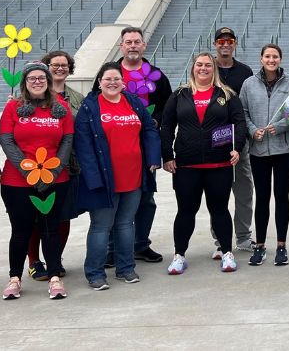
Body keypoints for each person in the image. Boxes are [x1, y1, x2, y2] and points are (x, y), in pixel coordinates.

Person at [75, 62, 161, 291]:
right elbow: (83, 146)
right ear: (99, 82)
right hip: (104, 180)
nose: (112, 83)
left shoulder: (132, 101)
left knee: (125, 224)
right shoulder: (90, 107)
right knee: (101, 227)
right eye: (107, 79)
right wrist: (94, 179)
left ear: (123, 82)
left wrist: (153, 157)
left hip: (133, 176)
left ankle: (126, 268)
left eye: (116, 79)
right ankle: (95, 273)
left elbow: (149, 128)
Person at [160, 52, 248, 275]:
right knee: (186, 211)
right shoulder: (179, 95)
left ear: (214, 69)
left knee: (219, 210)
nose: (203, 68)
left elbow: (239, 123)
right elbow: (167, 126)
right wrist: (167, 156)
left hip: (219, 164)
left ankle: (227, 253)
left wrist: (236, 148)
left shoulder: (227, 94)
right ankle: (179, 255)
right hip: (187, 165)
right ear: (193, 68)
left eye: (208, 65)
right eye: (199, 64)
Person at [94, 27, 171, 267]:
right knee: (112, 198)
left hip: (144, 147)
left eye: (137, 41)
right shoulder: (109, 74)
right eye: (128, 42)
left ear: (144, 46)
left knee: (145, 199)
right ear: (121, 46)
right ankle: (112, 247)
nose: (133, 46)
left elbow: (168, 109)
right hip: (112, 147)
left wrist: (154, 120)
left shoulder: (156, 75)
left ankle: (140, 245)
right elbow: (95, 104)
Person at [0, 61, 72, 300]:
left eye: (42, 78)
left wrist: (53, 169)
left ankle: (54, 277)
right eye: (32, 78)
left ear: (49, 81)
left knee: (50, 229)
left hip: (54, 179)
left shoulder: (61, 107)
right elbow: (7, 141)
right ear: (24, 83)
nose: (37, 82)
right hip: (17, 180)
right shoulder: (13, 108)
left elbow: (67, 141)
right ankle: (14, 279)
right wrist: (28, 170)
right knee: (21, 230)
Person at [239, 43, 289, 266]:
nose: (271, 60)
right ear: (261, 58)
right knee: (263, 198)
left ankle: (282, 246)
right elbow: (243, 112)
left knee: (281, 196)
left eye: (275, 56)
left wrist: (283, 125)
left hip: (284, 148)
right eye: (268, 56)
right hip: (258, 150)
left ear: (280, 59)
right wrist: (251, 130)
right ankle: (260, 246)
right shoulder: (249, 83)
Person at [26, 51, 84, 282]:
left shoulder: (78, 98)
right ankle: (34, 261)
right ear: (46, 67)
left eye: (65, 65)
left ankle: (54, 259)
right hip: (36, 167)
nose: (60, 68)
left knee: (62, 215)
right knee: (35, 216)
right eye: (55, 65)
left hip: (69, 166)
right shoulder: (31, 95)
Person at [212, 27, 257, 255]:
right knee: (217, 192)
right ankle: (221, 241)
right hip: (213, 141)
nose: (225, 44)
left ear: (235, 44)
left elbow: (249, 105)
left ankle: (243, 237)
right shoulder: (207, 68)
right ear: (215, 44)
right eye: (221, 40)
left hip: (239, 140)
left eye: (229, 40)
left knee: (243, 190)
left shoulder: (245, 71)